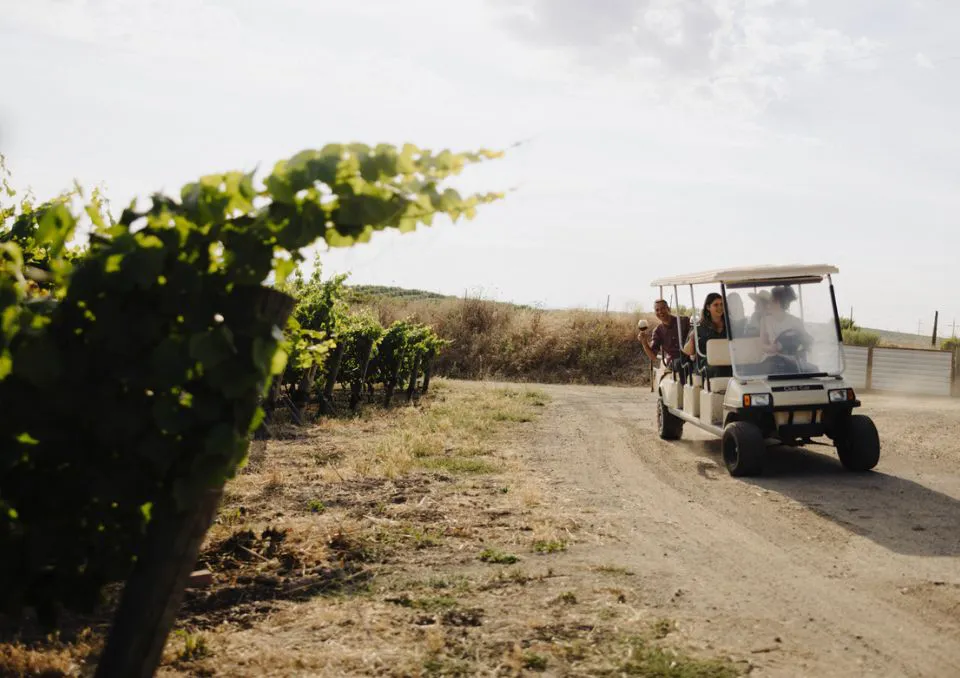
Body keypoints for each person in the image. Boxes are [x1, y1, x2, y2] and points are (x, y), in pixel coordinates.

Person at [638, 299, 691, 370]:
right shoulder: (657, 331)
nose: (660, 312)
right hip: (675, 361)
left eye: (662, 308)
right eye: (657, 310)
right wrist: (644, 343)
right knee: (679, 362)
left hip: (690, 356)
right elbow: (653, 357)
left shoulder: (684, 321)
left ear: (668, 309)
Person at [683, 293, 728, 375]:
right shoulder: (699, 327)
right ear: (708, 307)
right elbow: (688, 351)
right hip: (705, 363)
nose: (720, 307)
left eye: (722, 304)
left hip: (728, 361)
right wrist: (692, 338)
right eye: (716, 305)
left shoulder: (729, 326)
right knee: (717, 369)